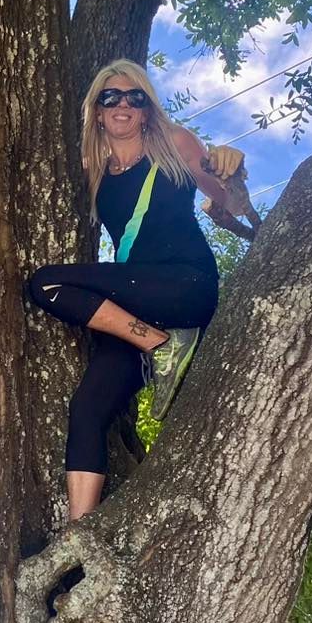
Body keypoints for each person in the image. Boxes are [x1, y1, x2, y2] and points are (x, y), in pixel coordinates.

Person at [28, 59, 244, 522]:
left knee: (46, 280)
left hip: (185, 283)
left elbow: (224, 199)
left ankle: (159, 345)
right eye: (111, 98)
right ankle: (77, 534)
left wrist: (229, 168)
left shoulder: (175, 143)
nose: (122, 104)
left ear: (146, 110)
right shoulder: (94, 169)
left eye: (134, 97)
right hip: (135, 302)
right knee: (87, 410)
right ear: (98, 111)